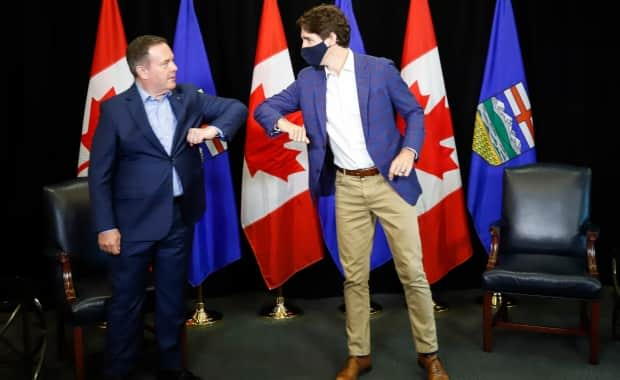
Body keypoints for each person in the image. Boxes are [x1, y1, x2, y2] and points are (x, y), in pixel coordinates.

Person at [254, 5, 449, 380]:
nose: (302, 47)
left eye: (307, 40)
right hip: (346, 186)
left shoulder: (379, 69)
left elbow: (415, 113)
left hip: (389, 183)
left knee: (413, 273)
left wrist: (410, 151)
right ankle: (359, 355)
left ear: (330, 39)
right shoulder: (309, 79)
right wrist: (282, 124)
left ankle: (429, 354)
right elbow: (266, 107)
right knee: (354, 278)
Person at [89, 35, 247, 380]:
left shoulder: (188, 97)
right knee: (126, 304)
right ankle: (119, 371)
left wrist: (211, 131)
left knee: (172, 301)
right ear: (142, 70)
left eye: (173, 60)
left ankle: (172, 368)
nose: (175, 67)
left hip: (179, 217)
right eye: (165, 62)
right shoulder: (115, 110)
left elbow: (236, 108)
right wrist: (106, 225)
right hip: (130, 226)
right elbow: (99, 174)